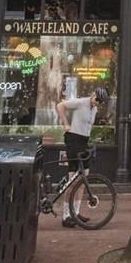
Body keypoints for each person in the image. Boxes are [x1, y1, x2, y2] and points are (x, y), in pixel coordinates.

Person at [54, 86, 108, 228]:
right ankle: (66, 215)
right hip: (74, 140)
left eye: (100, 101)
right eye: (97, 99)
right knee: (72, 179)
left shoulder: (94, 109)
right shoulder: (80, 102)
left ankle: (76, 212)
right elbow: (60, 105)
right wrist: (66, 124)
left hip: (84, 142)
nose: (97, 102)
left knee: (84, 178)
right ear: (93, 94)